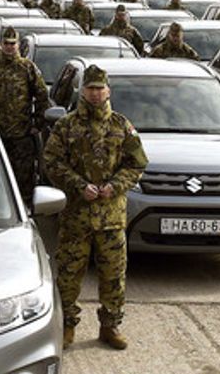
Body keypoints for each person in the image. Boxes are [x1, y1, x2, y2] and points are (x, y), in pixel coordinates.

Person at [43, 64, 147, 351]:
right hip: (76, 216)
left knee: (113, 274)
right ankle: (66, 326)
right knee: (68, 273)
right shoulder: (67, 126)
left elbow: (137, 163)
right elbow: (51, 161)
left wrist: (115, 185)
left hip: (111, 217)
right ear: (83, 91)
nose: (95, 93)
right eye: (90, 88)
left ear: (108, 91)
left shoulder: (120, 125)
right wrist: (78, 185)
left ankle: (110, 326)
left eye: (100, 88)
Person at [0, 27, 51, 203]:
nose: (10, 47)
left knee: (23, 180)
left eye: (13, 44)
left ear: (18, 45)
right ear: (1, 45)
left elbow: (42, 96)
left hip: (21, 135)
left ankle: (24, 211)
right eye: (7, 44)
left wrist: (37, 124)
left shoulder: (27, 68)